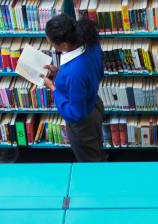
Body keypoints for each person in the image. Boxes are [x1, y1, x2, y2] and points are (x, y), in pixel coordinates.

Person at [42, 14, 107, 162]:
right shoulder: (90, 41)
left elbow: (76, 113)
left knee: (89, 158)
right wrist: (60, 71)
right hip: (94, 102)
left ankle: (98, 180)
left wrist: (54, 88)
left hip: (84, 122)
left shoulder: (73, 74)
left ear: (64, 45)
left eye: (52, 43)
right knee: (96, 145)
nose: (52, 45)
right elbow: (94, 71)